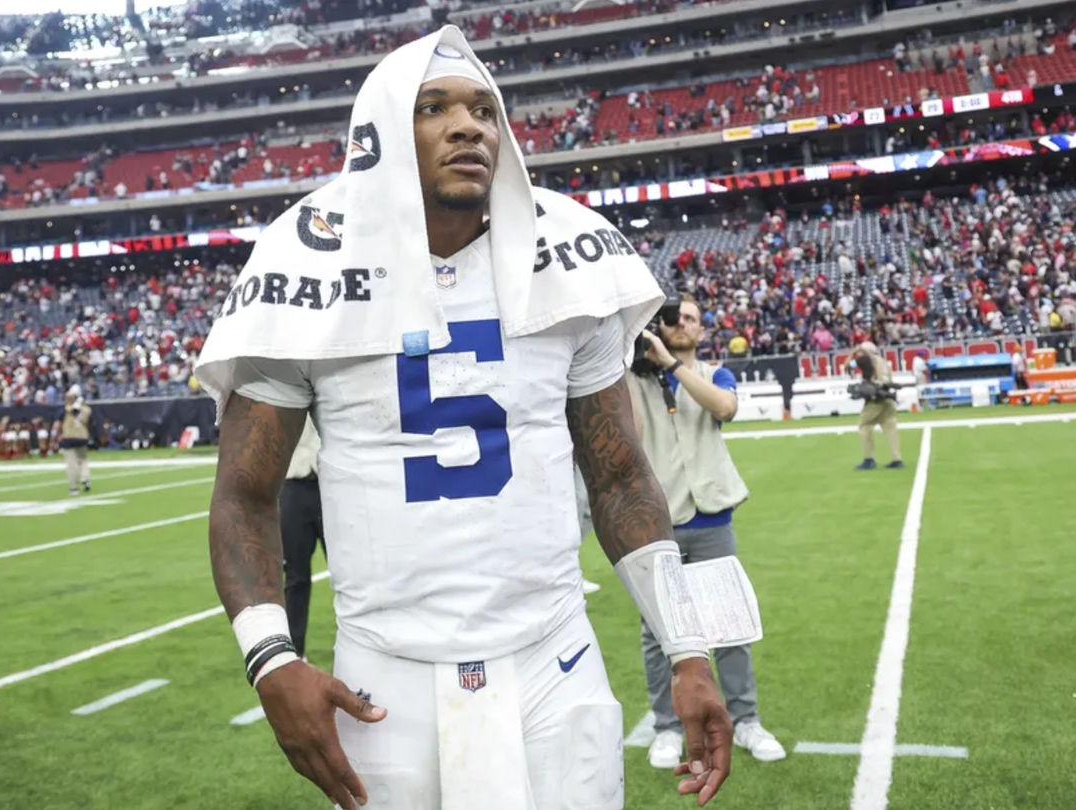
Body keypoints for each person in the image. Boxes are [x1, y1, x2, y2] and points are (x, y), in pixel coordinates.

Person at [196, 27, 735, 810]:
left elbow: (620, 475)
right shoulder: (305, 259)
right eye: (434, 107)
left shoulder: (569, 251)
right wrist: (271, 660)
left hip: (552, 654)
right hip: (386, 672)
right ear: (380, 128)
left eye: (485, 109)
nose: (468, 125)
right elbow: (245, 496)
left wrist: (688, 646)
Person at [629, 297, 786, 768]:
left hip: (711, 517)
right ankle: (666, 727)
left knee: (729, 626)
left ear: (702, 331)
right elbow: (630, 433)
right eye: (674, 317)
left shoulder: (714, 373)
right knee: (660, 633)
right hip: (658, 524)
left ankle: (747, 720)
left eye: (691, 319)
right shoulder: (633, 380)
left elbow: (726, 407)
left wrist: (673, 365)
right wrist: (637, 360)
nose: (682, 323)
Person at [280, 418, 326, 659]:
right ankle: (295, 651)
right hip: (292, 482)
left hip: (332, 483)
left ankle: (363, 644)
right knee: (296, 576)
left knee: (349, 574)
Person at [853, 342, 903, 470]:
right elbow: (888, 380)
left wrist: (870, 389)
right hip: (887, 399)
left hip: (876, 400)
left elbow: (879, 381)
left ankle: (869, 459)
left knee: (864, 425)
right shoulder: (884, 361)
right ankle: (896, 459)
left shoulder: (872, 361)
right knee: (890, 427)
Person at [60, 387, 93, 494]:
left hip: (69, 436)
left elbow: (70, 411)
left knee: (71, 462)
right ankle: (85, 478)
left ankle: (74, 486)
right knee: (83, 460)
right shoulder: (87, 409)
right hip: (82, 436)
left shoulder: (67, 408)